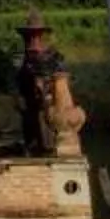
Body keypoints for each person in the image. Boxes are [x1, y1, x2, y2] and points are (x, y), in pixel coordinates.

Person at [14, 17, 68, 154]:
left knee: (47, 129)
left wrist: (46, 88)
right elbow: (19, 83)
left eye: (36, 36)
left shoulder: (54, 58)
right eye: (29, 37)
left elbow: (61, 81)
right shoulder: (22, 60)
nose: (32, 41)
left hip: (49, 106)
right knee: (31, 131)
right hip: (29, 106)